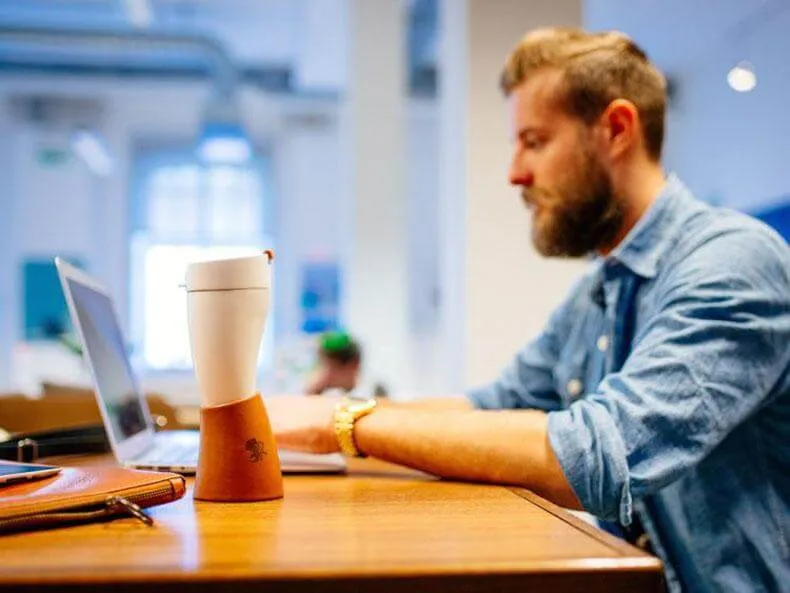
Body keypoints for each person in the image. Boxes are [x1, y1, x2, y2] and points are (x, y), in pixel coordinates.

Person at [267, 27, 790, 592]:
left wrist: (345, 422)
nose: (516, 172)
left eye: (535, 141)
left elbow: (599, 454)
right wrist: (319, 421)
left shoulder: (734, 262)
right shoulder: (601, 289)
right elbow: (492, 407)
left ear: (616, 130)